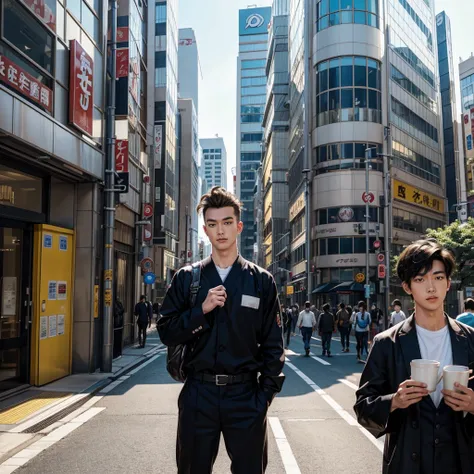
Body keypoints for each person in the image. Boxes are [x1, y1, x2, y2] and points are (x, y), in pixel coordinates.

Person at [157, 186, 285, 474]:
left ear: (238, 226)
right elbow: (166, 331)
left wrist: (263, 398)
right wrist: (199, 311)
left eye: (227, 222)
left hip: (246, 395)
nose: (221, 231)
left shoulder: (261, 281)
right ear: (205, 230)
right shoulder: (187, 278)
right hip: (198, 393)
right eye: (213, 224)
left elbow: (274, 346)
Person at [354, 238, 474, 474]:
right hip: (407, 462)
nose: (431, 287)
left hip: (462, 460)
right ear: (407, 287)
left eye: (438, 277)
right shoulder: (386, 343)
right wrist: (394, 401)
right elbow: (363, 408)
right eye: (420, 279)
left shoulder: (470, 339)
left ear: (448, 283)